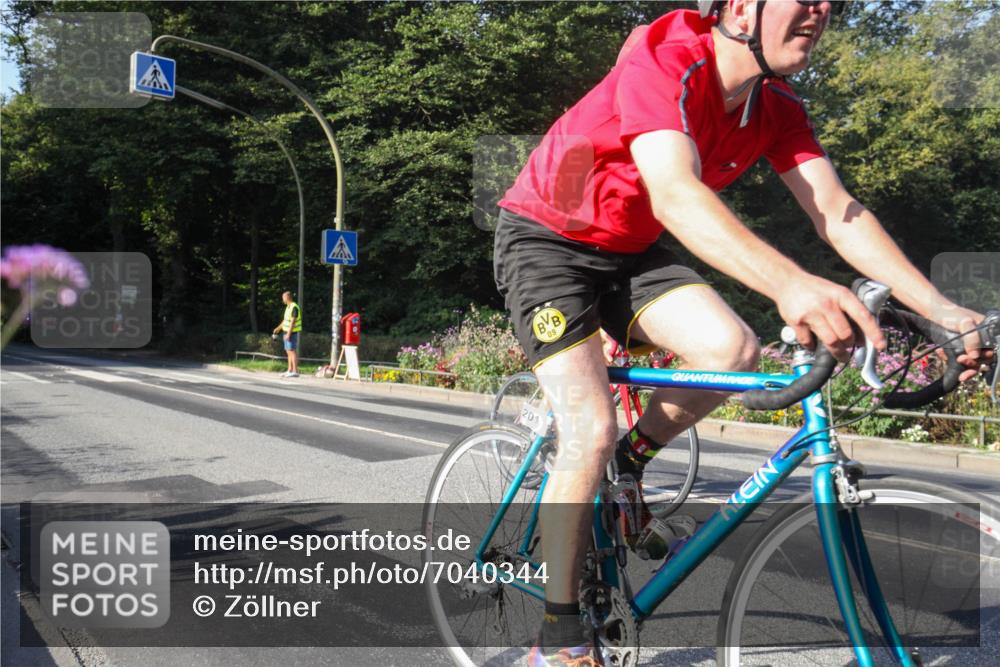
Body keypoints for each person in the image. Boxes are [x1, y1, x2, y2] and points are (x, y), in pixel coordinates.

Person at [492, 2, 986, 664]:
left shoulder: (775, 106)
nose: (821, 11)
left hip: (628, 252)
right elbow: (672, 192)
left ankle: (630, 464)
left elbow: (839, 213)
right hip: (546, 240)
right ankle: (557, 636)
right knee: (589, 428)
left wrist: (946, 311)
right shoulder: (666, 55)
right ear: (738, 7)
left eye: (828, 0)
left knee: (734, 353)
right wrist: (791, 284)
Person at [272, 291, 302, 377]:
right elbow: (285, 320)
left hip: (291, 332)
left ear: (287, 297)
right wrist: (278, 328)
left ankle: (295, 371)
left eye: (283, 298)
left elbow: (293, 321)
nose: (283, 299)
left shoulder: (294, 307)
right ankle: (290, 370)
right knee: (288, 351)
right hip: (286, 332)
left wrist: (288, 334)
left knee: (292, 351)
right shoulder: (288, 307)